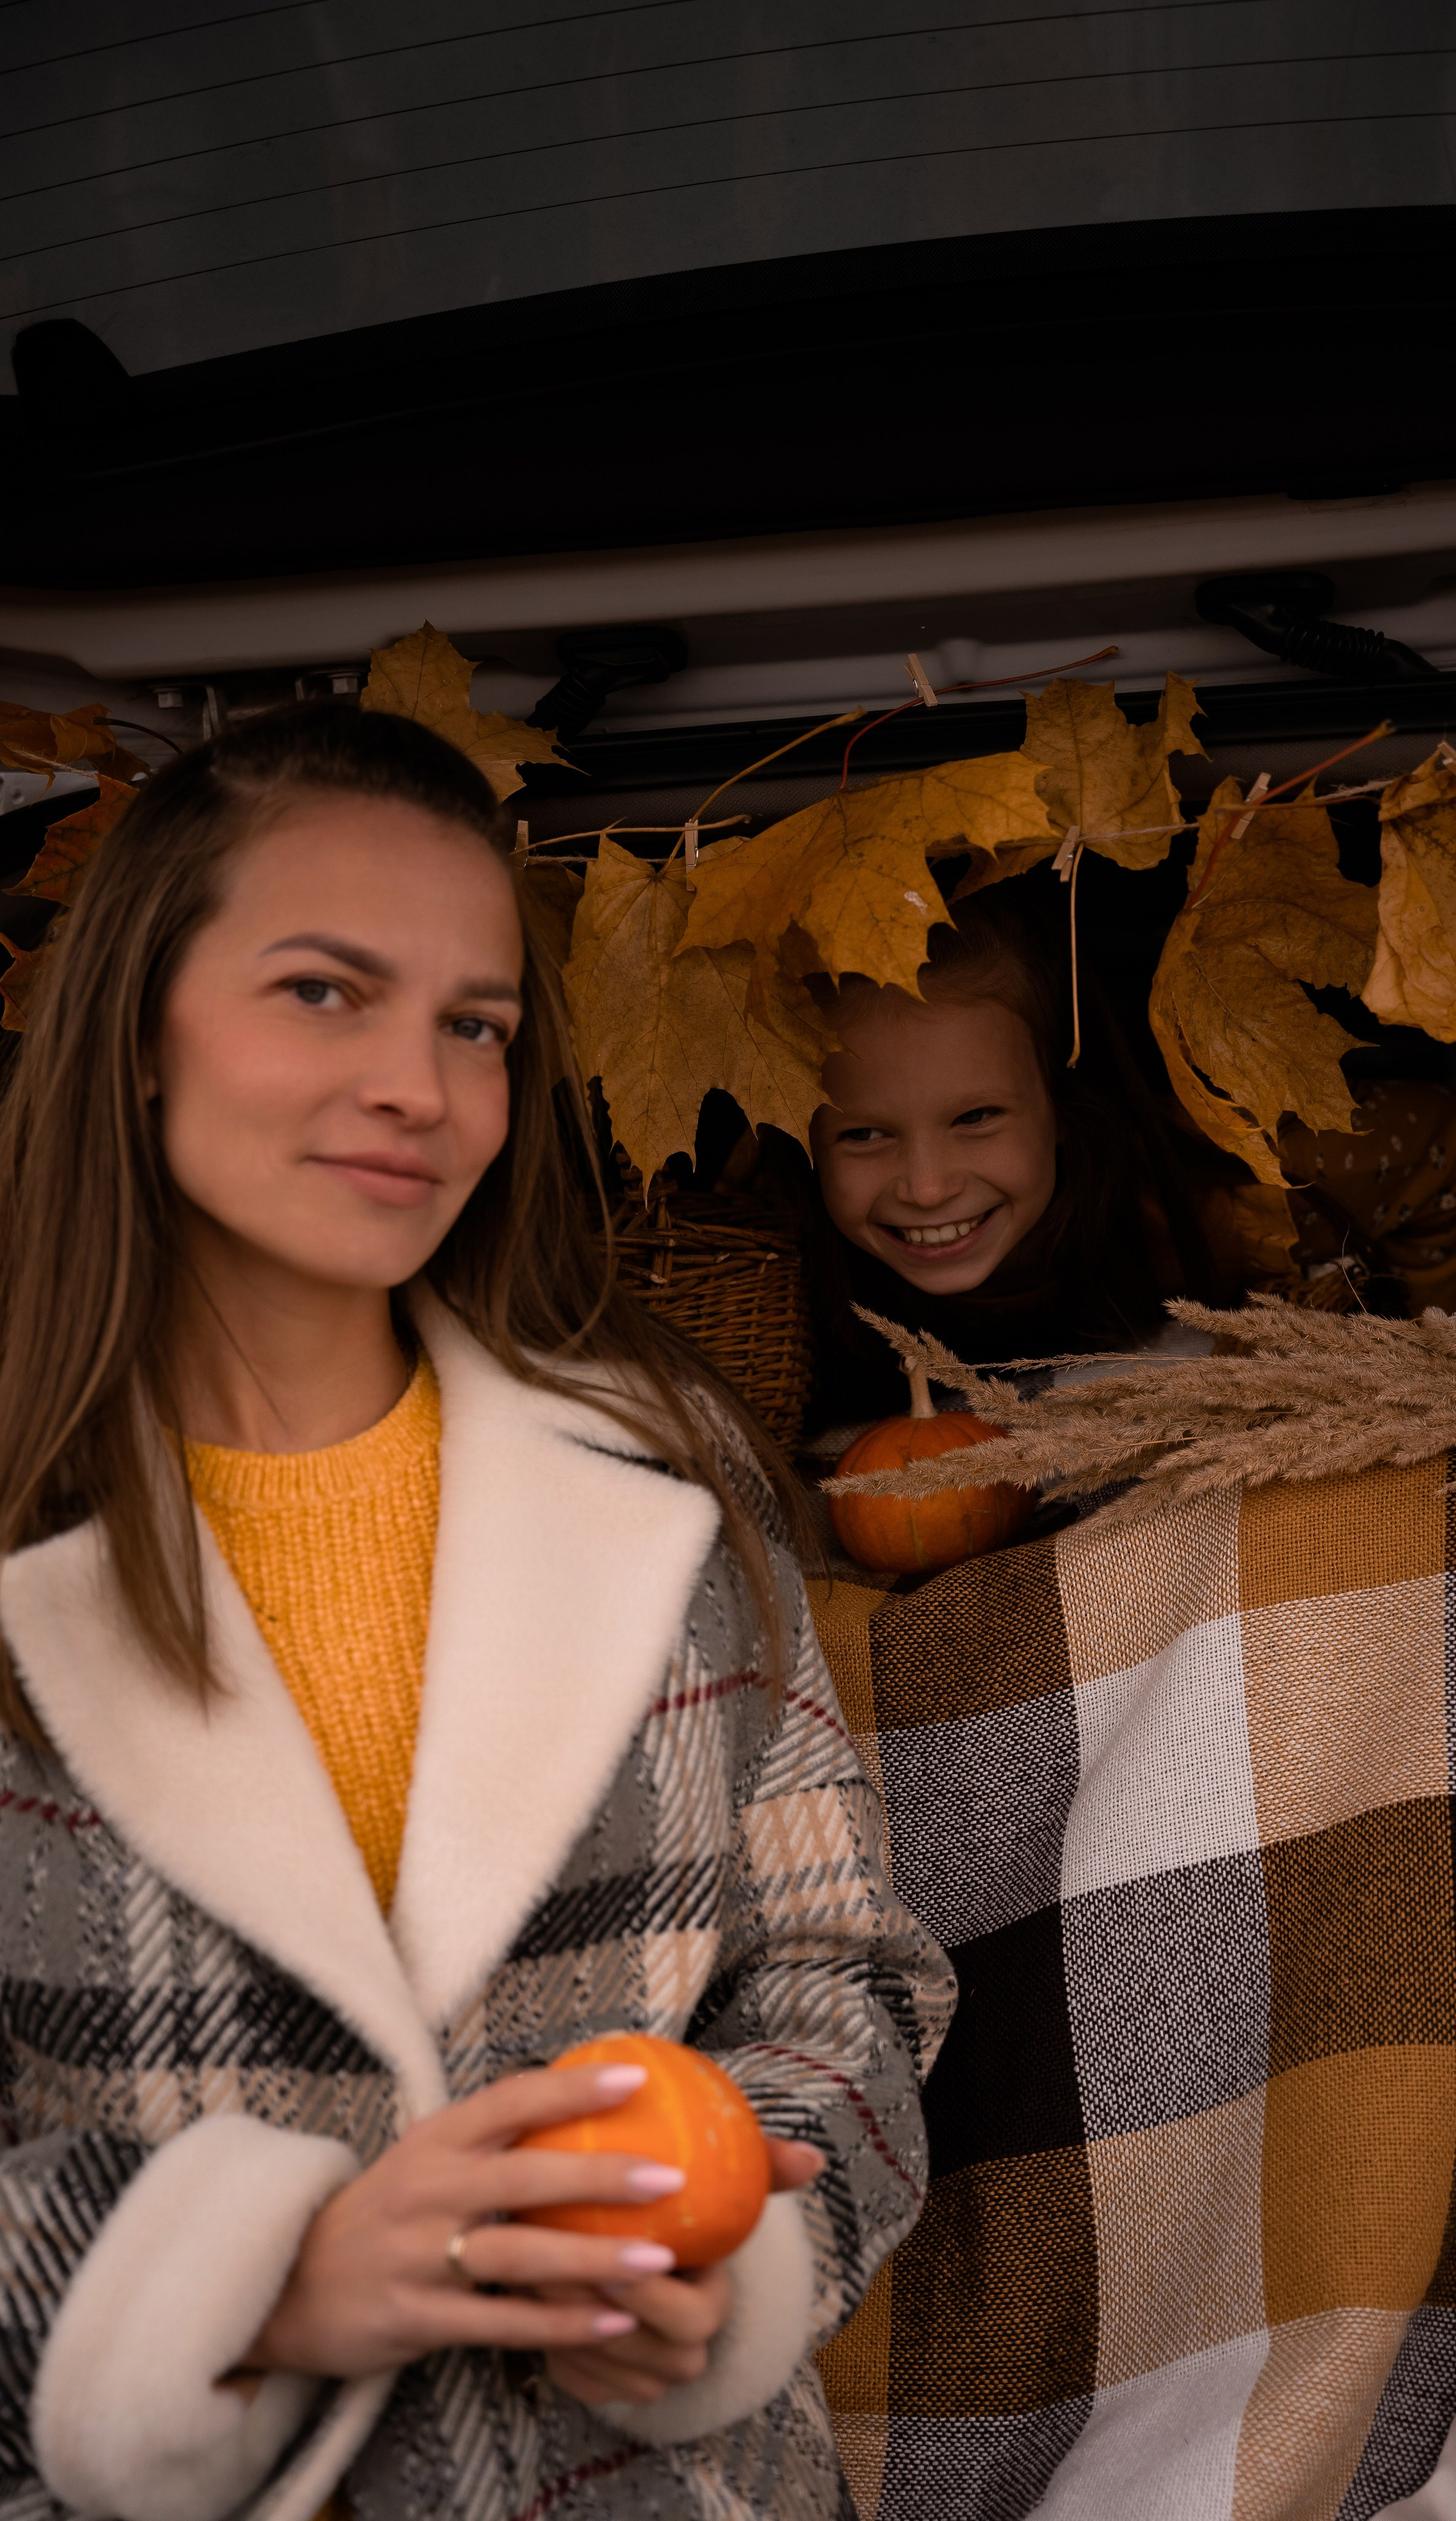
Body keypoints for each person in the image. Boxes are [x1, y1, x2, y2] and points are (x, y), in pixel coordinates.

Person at [0, 704, 951, 2521]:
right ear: (135, 1033)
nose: (417, 1092)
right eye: (322, 993)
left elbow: (852, 1978)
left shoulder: (667, 1469)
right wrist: (256, 2286)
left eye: (475, 1027)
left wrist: (720, 2251)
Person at [801, 884, 1456, 1429]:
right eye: (863, 1135)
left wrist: (1436, 1374)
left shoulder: (1212, 1194)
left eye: (976, 1118)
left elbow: (1442, 1143)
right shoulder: (756, 1280)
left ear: (1058, 1104)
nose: (926, 1188)